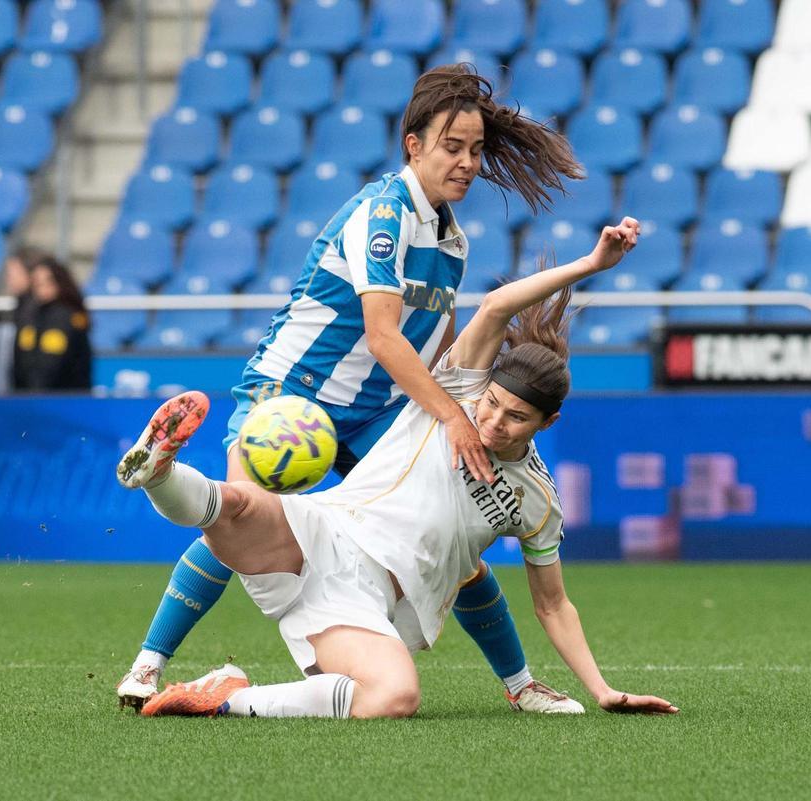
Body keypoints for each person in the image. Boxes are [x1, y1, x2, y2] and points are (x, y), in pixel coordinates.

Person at [115, 63, 587, 714]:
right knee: (244, 515)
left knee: (457, 552)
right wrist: (452, 414)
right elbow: (385, 336)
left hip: (373, 411)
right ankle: (148, 664)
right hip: (295, 389)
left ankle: (521, 685)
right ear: (412, 145)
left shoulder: (453, 244)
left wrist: (450, 400)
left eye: (477, 151)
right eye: (453, 147)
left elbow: (428, 345)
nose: (469, 163)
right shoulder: (383, 212)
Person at [116, 217, 680, 720]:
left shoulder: (536, 499)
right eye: (492, 404)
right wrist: (590, 264)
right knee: (237, 505)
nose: (493, 422)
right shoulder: (457, 392)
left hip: (366, 603)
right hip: (325, 533)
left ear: (547, 424)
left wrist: (603, 689)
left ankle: (227, 697)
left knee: (393, 698)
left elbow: (552, 604)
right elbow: (496, 307)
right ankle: (158, 470)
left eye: (516, 417)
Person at [12, 257, 93, 392]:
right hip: (29, 398)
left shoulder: (66, 317)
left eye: (48, 281)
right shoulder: (29, 315)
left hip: (64, 398)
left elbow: (52, 365)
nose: (41, 286)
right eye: (36, 281)